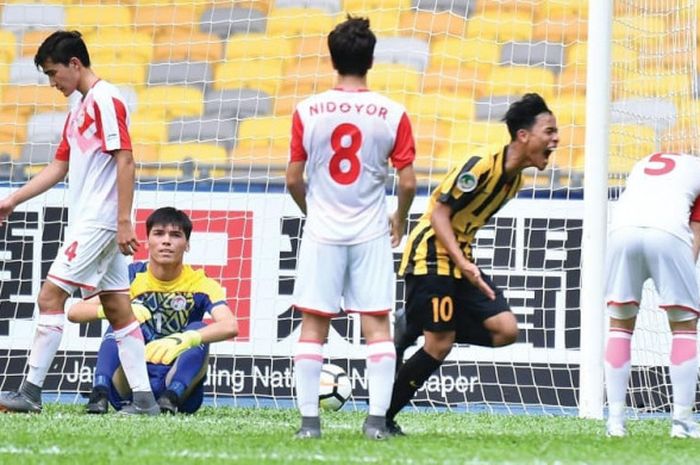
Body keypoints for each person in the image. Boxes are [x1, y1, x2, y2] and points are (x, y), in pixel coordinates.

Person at [0, 30, 159, 415]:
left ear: (75, 64)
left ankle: (31, 392)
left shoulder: (107, 99)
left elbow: (126, 159)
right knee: (118, 307)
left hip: (101, 222)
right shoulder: (78, 110)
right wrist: (11, 201)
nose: (53, 83)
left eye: (54, 73)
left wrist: (124, 221)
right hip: (94, 221)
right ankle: (144, 400)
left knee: (50, 297)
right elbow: (59, 166)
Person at [387, 93, 559, 435]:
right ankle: (383, 417)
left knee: (505, 329)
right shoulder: (480, 165)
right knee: (440, 344)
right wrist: (464, 264)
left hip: (460, 261)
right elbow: (438, 213)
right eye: (549, 131)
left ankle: (414, 324)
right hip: (430, 257)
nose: (555, 139)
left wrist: (465, 264)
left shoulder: (514, 183)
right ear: (523, 136)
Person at [286, 16, 417, 439]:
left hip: (324, 229)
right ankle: (376, 422)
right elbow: (409, 181)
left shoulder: (307, 110)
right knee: (377, 324)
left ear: (332, 58)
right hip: (370, 231)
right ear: (372, 59)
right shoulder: (393, 113)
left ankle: (309, 425)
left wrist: (314, 209)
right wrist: (398, 216)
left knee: (313, 326)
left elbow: (292, 178)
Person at [68, 207, 238, 414]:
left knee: (199, 328)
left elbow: (230, 325)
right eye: (159, 234)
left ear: (187, 244)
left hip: (177, 383)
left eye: (175, 235)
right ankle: (99, 393)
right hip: (130, 381)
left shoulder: (201, 283)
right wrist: (119, 311)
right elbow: (75, 311)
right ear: (147, 242)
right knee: (119, 319)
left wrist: (185, 339)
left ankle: (171, 397)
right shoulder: (130, 277)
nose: (166, 241)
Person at [603, 152, 700, 438]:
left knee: (620, 324)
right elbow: (696, 230)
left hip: (621, 231)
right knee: (684, 327)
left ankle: (615, 422)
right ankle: (682, 424)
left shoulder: (642, 162)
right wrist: (683, 281)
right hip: (668, 233)